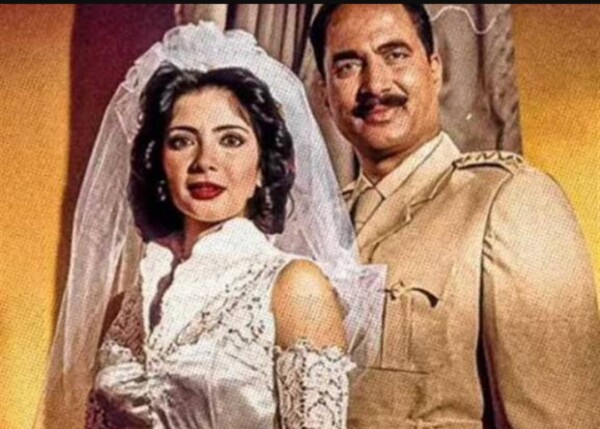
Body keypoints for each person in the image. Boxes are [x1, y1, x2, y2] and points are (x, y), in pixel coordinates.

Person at [39, 22, 383, 429]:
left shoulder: (294, 287)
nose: (205, 161)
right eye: (182, 141)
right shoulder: (125, 309)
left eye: (231, 140)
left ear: (262, 168)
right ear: (159, 163)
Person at [310, 4, 600, 429]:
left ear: (434, 69)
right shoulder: (314, 228)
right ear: (324, 93)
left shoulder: (508, 200)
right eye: (348, 66)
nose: (376, 84)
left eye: (395, 55)